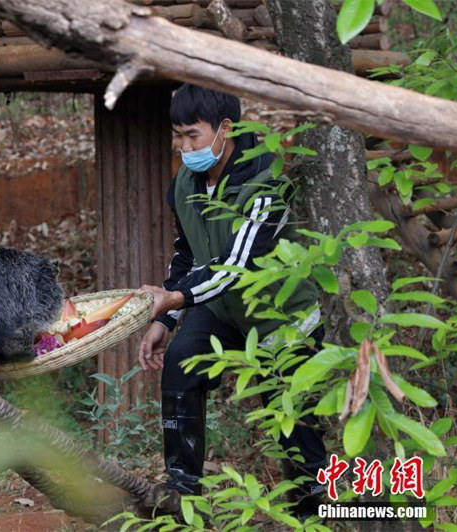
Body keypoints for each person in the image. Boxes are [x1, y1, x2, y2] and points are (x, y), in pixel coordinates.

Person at [137, 84, 326, 515]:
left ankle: (313, 504)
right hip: (223, 309)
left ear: (226, 128)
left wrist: (171, 299)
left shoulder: (266, 181)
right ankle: (182, 493)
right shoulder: (185, 182)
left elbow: (235, 263)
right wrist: (165, 321)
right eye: (177, 135)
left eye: (193, 136)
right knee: (182, 362)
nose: (183, 147)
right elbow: (187, 252)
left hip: (279, 314)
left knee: (288, 415)